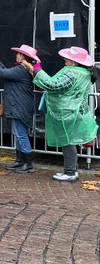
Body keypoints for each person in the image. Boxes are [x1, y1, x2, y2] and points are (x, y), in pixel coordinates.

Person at [24, 46, 98, 182]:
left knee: (67, 142)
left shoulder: (72, 73)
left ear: (74, 61)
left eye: (68, 57)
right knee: (69, 142)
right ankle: (72, 171)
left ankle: (70, 172)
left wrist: (37, 68)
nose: (64, 59)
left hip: (67, 112)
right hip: (75, 111)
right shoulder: (84, 73)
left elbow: (53, 85)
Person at [0, 44, 39, 173]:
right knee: (19, 134)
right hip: (21, 105)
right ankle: (20, 161)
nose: (16, 55)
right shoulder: (23, 69)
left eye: (18, 53)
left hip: (19, 106)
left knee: (21, 135)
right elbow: (7, 74)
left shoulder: (21, 69)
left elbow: (1, 73)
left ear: (22, 56)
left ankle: (27, 162)